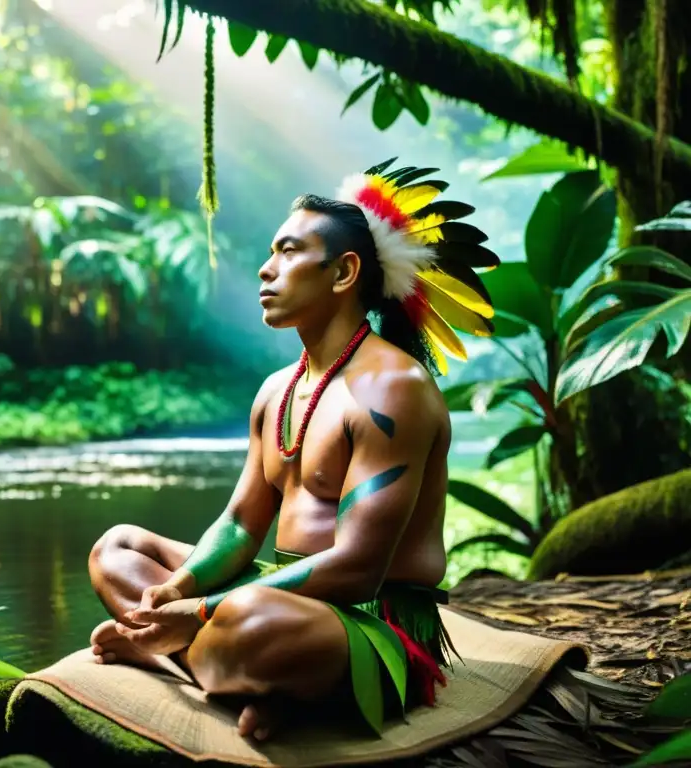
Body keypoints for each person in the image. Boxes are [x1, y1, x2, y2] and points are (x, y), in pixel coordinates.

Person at [87, 159, 499, 742]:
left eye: (287, 252)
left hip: (371, 621)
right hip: (279, 590)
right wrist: (178, 591)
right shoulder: (277, 389)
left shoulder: (393, 388)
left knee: (250, 623)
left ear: (342, 272)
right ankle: (239, 676)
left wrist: (203, 612)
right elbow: (238, 526)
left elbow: (357, 570)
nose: (265, 268)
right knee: (118, 550)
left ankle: (196, 659)